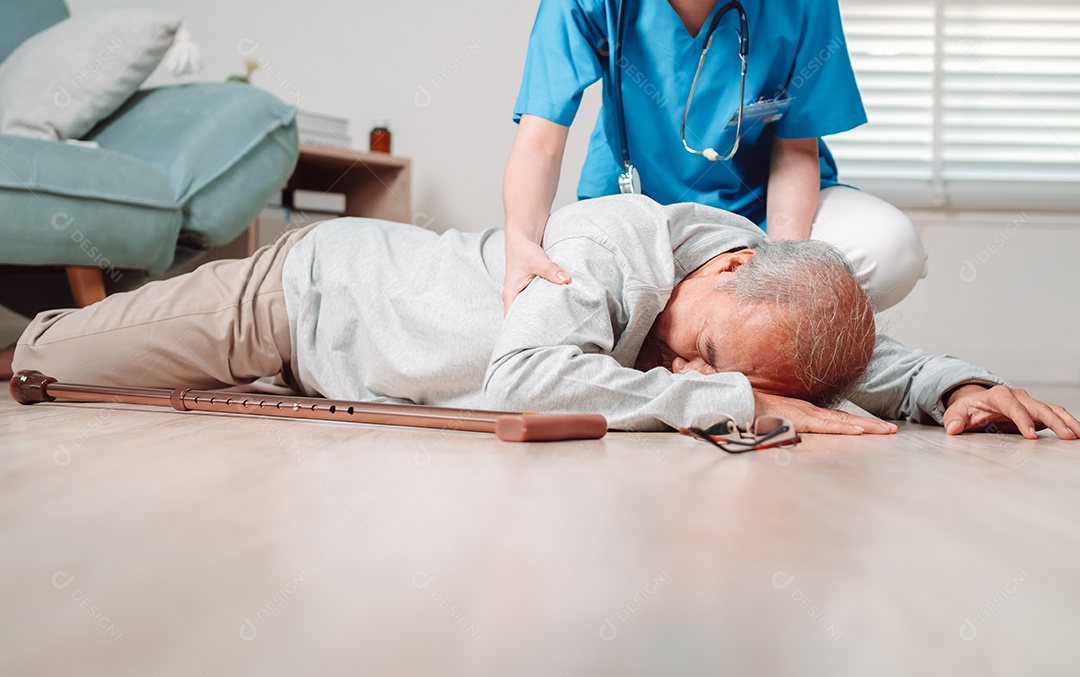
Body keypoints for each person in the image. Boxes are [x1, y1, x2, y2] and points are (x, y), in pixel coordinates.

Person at [6, 195, 1078, 440]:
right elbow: (524, 376)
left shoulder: (750, 296)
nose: (689, 364)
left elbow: (838, 358)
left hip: (330, 372)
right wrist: (726, 394)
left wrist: (956, 384)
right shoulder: (612, 242)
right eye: (706, 347)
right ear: (728, 264)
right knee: (42, 359)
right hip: (297, 300)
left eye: (730, 369)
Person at [503, 0, 928, 312]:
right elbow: (541, 141)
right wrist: (520, 240)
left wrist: (779, 270)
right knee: (570, 284)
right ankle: (706, 331)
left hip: (762, 215)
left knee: (890, 247)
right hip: (642, 212)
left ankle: (704, 330)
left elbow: (797, 149)